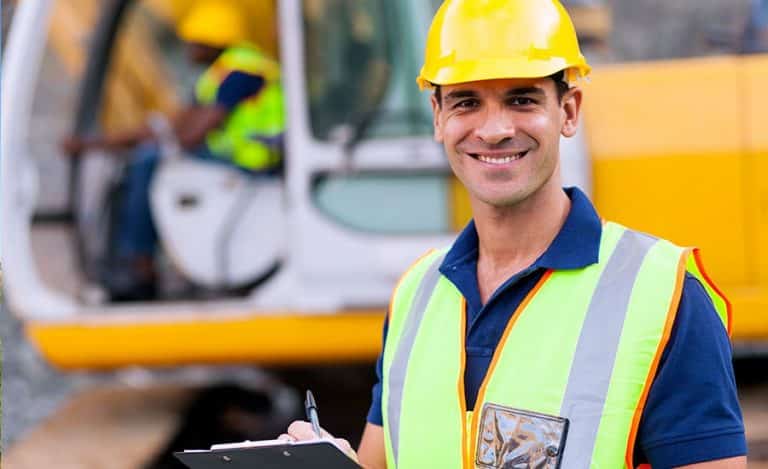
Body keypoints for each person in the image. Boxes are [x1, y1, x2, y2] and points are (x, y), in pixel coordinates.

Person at [282, 1, 747, 468]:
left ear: (568, 110)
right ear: (438, 117)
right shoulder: (416, 296)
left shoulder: (662, 295)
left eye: (521, 99)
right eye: (467, 102)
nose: (495, 129)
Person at [62, 0, 285, 301]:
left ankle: (140, 263)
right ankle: (138, 260)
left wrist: (166, 138)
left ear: (210, 41)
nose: (187, 50)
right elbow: (174, 124)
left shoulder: (240, 73)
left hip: (256, 163)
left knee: (149, 161)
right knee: (146, 157)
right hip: (243, 158)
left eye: (192, 43)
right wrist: (96, 145)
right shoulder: (222, 73)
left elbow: (193, 131)